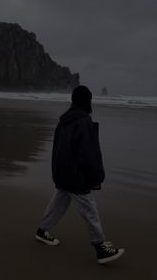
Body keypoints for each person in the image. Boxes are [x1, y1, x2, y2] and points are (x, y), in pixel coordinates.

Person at [35, 85, 125, 264]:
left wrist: (56, 174)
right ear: (87, 102)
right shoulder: (84, 122)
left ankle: (42, 232)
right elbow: (89, 154)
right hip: (76, 177)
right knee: (90, 211)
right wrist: (96, 177)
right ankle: (101, 249)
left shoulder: (64, 121)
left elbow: (57, 150)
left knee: (57, 205)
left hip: (62, 173)